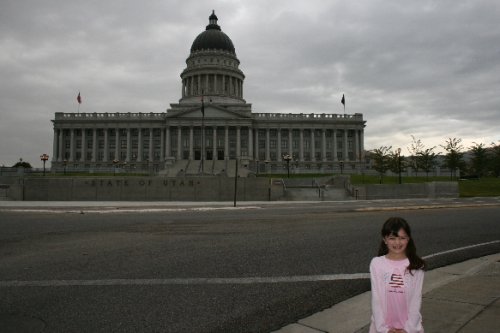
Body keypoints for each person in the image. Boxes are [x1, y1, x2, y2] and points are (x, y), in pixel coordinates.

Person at [369, 217, 425, 333]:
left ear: (408, 239)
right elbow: (376, 300)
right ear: (385, 239)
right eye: (392, 238)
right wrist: (384, 329)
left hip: (409, 328)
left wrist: (408, 329)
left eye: (402, 238)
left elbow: (416, 301)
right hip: (382, 328)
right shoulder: (377, 264)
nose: (397, 243)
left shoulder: (416, 266)